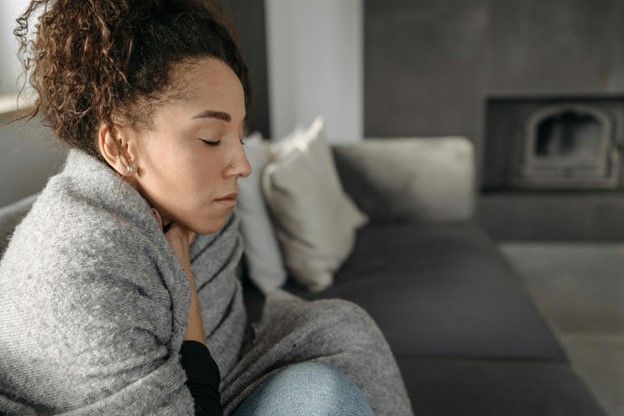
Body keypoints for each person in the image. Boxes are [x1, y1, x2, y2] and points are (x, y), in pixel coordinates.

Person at [0, 1, 414, 415]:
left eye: (239, 134)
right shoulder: (79, 268)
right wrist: (183, 280)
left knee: (340, 329)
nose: (243, 165)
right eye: (212, 139)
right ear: (118, 145)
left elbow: (227, 340)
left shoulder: (191, 208)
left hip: (221, 382)